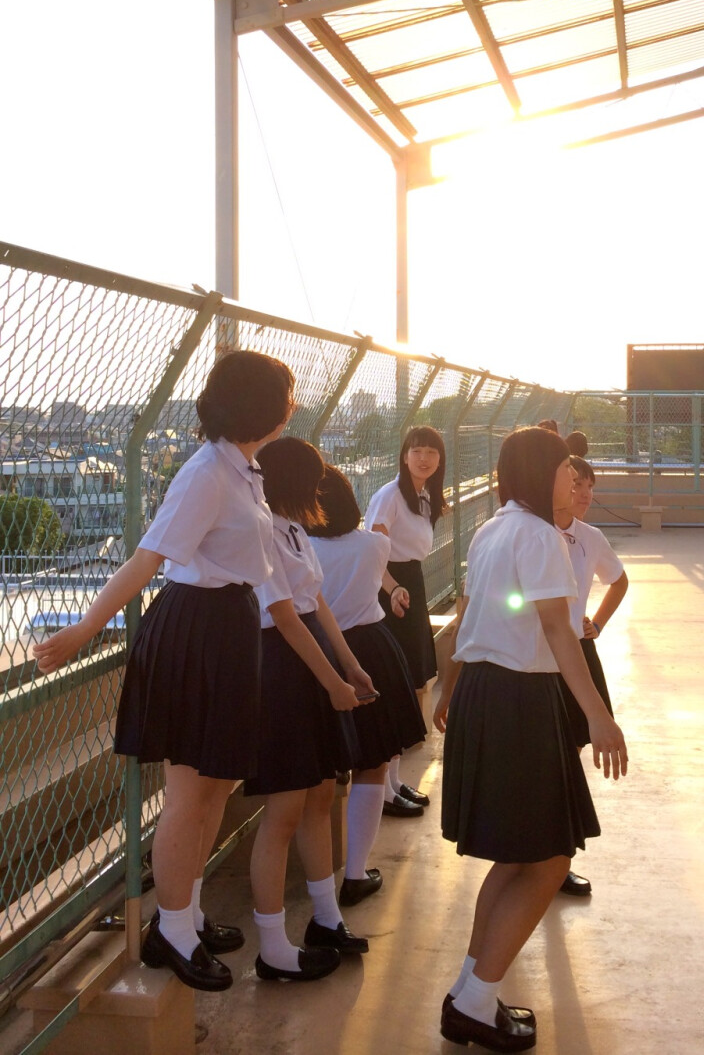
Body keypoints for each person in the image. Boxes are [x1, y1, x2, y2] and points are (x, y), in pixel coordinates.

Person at [32, 350, 294, 991]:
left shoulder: (243, 467)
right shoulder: (207, 472)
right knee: (191, 792)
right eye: (286, 393)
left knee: (218, 781)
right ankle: (170, 934)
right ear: (261, 403)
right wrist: (86, 629)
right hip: (196, 632)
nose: (293, 403)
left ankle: (186, 913)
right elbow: (148, 559)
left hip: (226, 628)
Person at [435, 427, 628, 1053]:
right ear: (539, 473)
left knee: (516, 857)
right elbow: (556, 630)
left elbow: (472, 619)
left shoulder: (495, 528)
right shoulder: (541, 536)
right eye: (566, 472)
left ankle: (472, 990)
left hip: (490, 695)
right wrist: (597, 714)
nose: (574, 482)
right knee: (547, 860)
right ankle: (473, 999)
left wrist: (449, 686)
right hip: (520, 701)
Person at [246, 437, 376, 981]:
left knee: (322, 792)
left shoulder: (294, 528)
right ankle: (273, 946)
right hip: (281, 668)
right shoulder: (260, 532)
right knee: (284, 810)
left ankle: (326, 918)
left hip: (310, 661)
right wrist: (331, 682)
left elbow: (316, 602)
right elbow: (284, 615)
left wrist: (349, 665)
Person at [307, 465, 428, 908]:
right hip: (370, 650)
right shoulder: (376, 546)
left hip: (313, 653)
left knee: (319, 769)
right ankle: (355, 873)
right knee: (373, 762)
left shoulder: (298, 548)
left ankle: (318, 885)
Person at [553, 454, 628, 896]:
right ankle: (540, 857)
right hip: (541, 656)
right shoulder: (537, 534)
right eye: (576, 483)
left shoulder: (590, 537)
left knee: (570, 752)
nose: (584, 494)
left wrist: (594, 623)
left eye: (589, 487)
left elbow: (618, 581)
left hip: (577, 654)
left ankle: (559, 860)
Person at [366, 425, 447, 816]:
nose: (425, 458)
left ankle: (393, 781)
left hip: (409, 584)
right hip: (391, 589)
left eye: (432, 452)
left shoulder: (425, 495)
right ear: (404, 454)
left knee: (410, 681)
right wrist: (393, 588)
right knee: (395, 684)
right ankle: (382, 788)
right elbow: (374, 552)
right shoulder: (389, 496)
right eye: (417, 450)